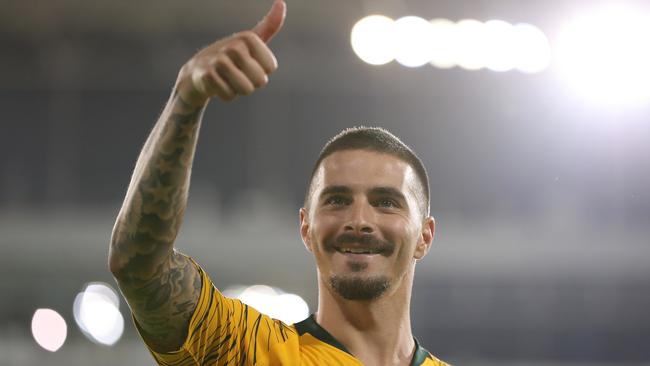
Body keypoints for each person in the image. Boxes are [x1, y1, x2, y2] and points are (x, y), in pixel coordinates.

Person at [108, 1, 450, 365]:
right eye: (336, 200)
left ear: (425, 236)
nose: (359, 219)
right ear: (305, 227)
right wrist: (186, 97)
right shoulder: (248, 350)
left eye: (386, 201)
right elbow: (141, 269)